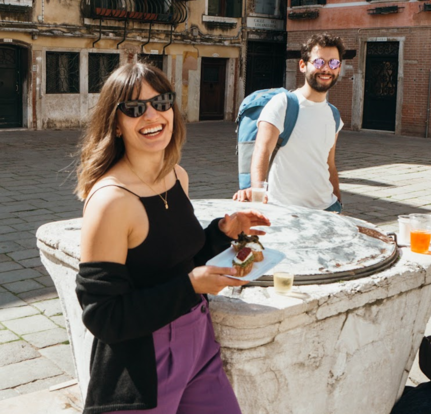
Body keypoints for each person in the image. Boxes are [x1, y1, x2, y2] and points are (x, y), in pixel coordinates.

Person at [74, 62, 272, 413]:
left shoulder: (177, 176)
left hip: (198, 340)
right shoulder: (111, 201)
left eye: (162, 102)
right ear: (116, 124)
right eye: (135, 109)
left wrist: (222, 233)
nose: (152, 115)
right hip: (142, 362)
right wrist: (190, 286)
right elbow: (102, 315)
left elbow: (176, 261)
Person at [233, 33, 346, 213]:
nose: (326, 69)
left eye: (333, 63)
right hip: (286, 210)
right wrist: (258, 199)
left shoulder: (333, 114)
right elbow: (261, 153)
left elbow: (329, 164)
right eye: (319, 62)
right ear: (303, 65)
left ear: (338, 68)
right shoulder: (283, 104)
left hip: (328, 208)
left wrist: (337, 199)